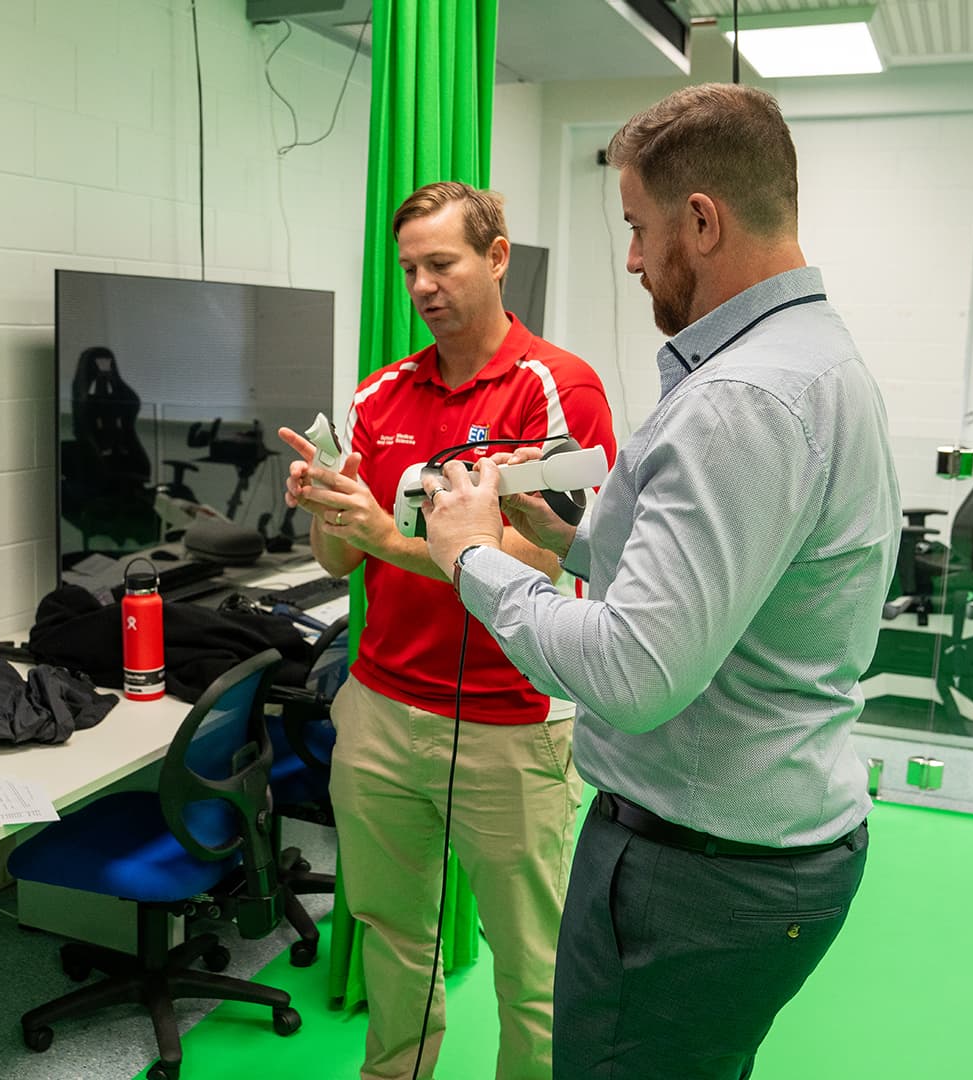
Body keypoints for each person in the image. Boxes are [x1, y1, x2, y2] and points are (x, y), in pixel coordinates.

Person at [419, 84, 902, 1079]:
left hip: (697, 872)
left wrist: (471, 558)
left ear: (702, 219)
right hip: (764, 848)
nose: (633, 258)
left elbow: (639, 673)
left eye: (638, 229)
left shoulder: (739, 400)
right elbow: (743, 579)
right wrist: (580, 541)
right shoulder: (815, 359)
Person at [278, 181, 616, 1080]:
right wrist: (325, 505)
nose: (423, 286)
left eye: (442, 263)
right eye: (409, 270)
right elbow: (337, 565)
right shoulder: (378, 399)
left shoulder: (558, 389)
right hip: (383, 712)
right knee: (395, 942)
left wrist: (392, 535)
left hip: (511, 722)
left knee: (533, 966)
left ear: (497, 256)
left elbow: (537, 563)